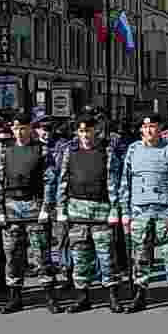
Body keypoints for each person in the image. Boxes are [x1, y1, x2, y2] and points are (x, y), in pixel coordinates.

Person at [121, 114, 168, 313]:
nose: (149, 130)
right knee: (140, 256)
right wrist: (125, 212)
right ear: (141, 130)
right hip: (139, 211)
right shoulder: (133, 150)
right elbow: (125, 182)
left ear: (159, 129)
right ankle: (140, 295)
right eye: (145, 127)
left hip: (165, 211)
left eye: (153, 126)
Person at [56, 114, 123, 313]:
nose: (85, 135)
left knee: (107, 257)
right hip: (77, 211)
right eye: (81, 131)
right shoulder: (69, 152)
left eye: (88, 130)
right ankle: (82, 297)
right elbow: (63, 181)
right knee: (80, 257)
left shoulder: (107, 152)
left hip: (101, 211)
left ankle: (113, 296)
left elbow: (113, 183)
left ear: (96, 131)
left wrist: (114, 210)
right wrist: (61, 209)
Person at [0, 113, 58, 313]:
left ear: (30, 129)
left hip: (34, 207)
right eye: (16, 129)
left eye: (23, 128)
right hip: (11, 207)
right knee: (13, 255)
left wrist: (46, 208)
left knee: (42, 255)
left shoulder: (42, 150)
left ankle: (49, 296)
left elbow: (50, 181)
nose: (19, 132)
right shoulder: (6, 151)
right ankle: (15, 297)